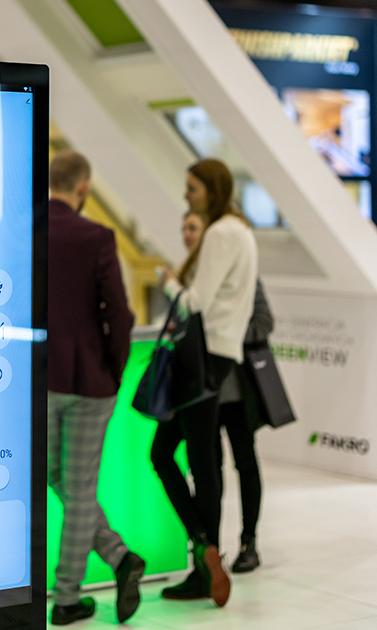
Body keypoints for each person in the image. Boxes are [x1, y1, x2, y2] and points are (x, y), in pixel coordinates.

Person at [152, 159, 257, 608]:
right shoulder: (243, 232)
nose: (186, 195)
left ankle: (203, 552)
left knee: (176, 456)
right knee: (200, 459)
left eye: (192, 188)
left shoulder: (221, 233)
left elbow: (195, 302)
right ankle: (204, 552)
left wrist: (169, 282)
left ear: (211, 190)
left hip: (201, 356)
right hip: (220, 355)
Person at [47, 150, 146, 625]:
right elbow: (119, 314)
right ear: (84, 188)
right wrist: (115, 370)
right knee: (78, 486)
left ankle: (95, 574)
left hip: (40, 379)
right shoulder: (97, 237)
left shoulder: (25, 230)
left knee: (58, 477)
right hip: (90, 381)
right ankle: (84, 584)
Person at [181, 211, 274, 574]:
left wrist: (229, 333)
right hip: (204, 389)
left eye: (194, 228)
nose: (188, 235)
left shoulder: (239, 271)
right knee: (208, 469)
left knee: (245, 462)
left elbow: (264, 322)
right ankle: (211, 551)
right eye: (184, 228)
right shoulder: (193, 276)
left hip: (236, 389)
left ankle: (250, 541)